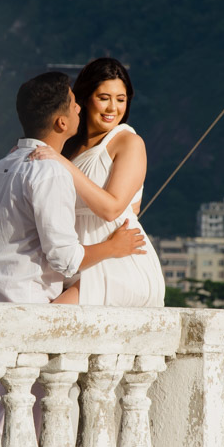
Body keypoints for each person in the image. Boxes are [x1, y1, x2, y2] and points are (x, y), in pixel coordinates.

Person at [0, 70, 146, 304]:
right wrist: (113, 247)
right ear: (61, 122)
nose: (79, 109)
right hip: (27, 299)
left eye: (121, 99)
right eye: (74, 104)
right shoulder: (50, 171)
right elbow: (65, 258)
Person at [30, 58, 165, 307]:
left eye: (121, 99)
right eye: (104, 97)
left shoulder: (128, 142)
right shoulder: (68, 146)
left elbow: (112, 208)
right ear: (84, 98)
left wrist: (62, 163)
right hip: (73, 261)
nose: (112, 107)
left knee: (49, 320)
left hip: (118, 265)